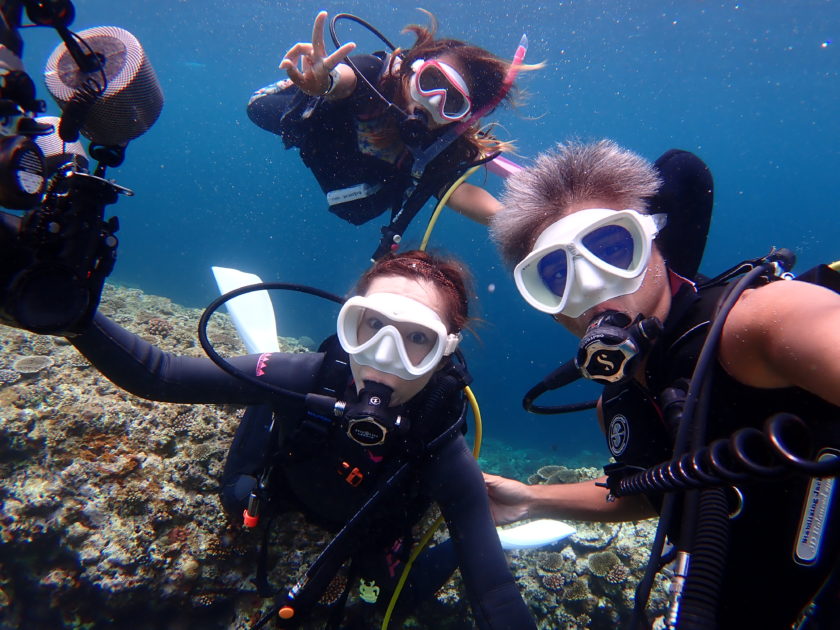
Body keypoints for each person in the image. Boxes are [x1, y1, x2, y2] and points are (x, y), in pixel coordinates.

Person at [50, 250, 535, 629]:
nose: (386, 357)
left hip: (368, 528)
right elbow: (160, 375)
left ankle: (487, 541)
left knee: (387, 600)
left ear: (444, 354)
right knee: (239, 502)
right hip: (292, 476)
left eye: (418, 340)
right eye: (371, 328)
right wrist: (72, 313)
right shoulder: (308, 375)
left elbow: (493, 594)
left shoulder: (441, 445)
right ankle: (266, 392)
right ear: (349, 324)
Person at [485, 139, 840, 629]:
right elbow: (650, 490)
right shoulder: (618, 402)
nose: (591, 286)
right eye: (556, 274)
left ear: (656, 244)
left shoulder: (756, 322)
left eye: (612, 248)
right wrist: (530, 497)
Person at [248, 11, 531, 259]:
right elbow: (347, 79)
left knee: (438, 169)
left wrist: (525, 223)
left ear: (460, 119)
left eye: (452, 104)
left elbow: (457, 194)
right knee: (258, 108)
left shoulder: (439, 145)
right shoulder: (374, 76)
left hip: (364, 188)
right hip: (324, 129)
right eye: (431, 81)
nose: (432, 102)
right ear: (413, 66)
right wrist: (326, 82)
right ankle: (303, 92)